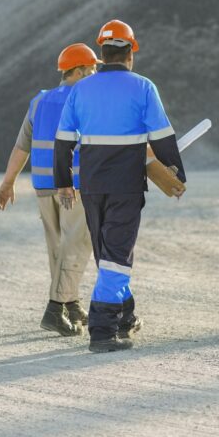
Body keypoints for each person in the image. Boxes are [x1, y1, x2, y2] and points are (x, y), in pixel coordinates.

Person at [54, 19, 186, 353]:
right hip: (126, 185)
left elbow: (63, 142)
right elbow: (162, 137)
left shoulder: (81, 89)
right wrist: (177, 175)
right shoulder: (143, 87)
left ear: (102, 53)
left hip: (92, 185)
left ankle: (125, 317)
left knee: (106, 252)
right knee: (115, 256)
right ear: (130, 53)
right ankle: (102, 330)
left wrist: (64, 182)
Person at [0, 43, 100, 337]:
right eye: (92, 69)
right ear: (79, 71)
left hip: (43, 186)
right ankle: (55, 309)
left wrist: (7, 182)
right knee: (77, 246)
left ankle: (71, 303)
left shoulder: (39, 101)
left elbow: (22, 146)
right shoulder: (86, 99)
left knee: (58, 249)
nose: (95, 74)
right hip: (75, 186)